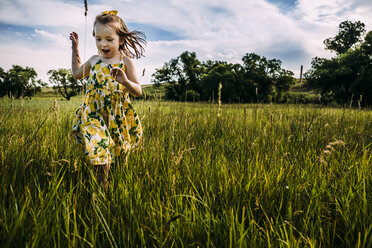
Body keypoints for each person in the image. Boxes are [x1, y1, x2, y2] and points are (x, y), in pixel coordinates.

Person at [70, 10, 145, 190]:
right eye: (98, 39)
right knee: (100, 153)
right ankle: (100, 195)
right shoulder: (94, 61)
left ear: (120, 40)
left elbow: (138, 91)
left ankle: (119, 189)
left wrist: (126, 82)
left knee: (120, 155)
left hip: (117, 116)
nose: (102, 44)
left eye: (109, 39)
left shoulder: (125, 62)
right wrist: (75, 49)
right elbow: (76, 74)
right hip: (93, 114)